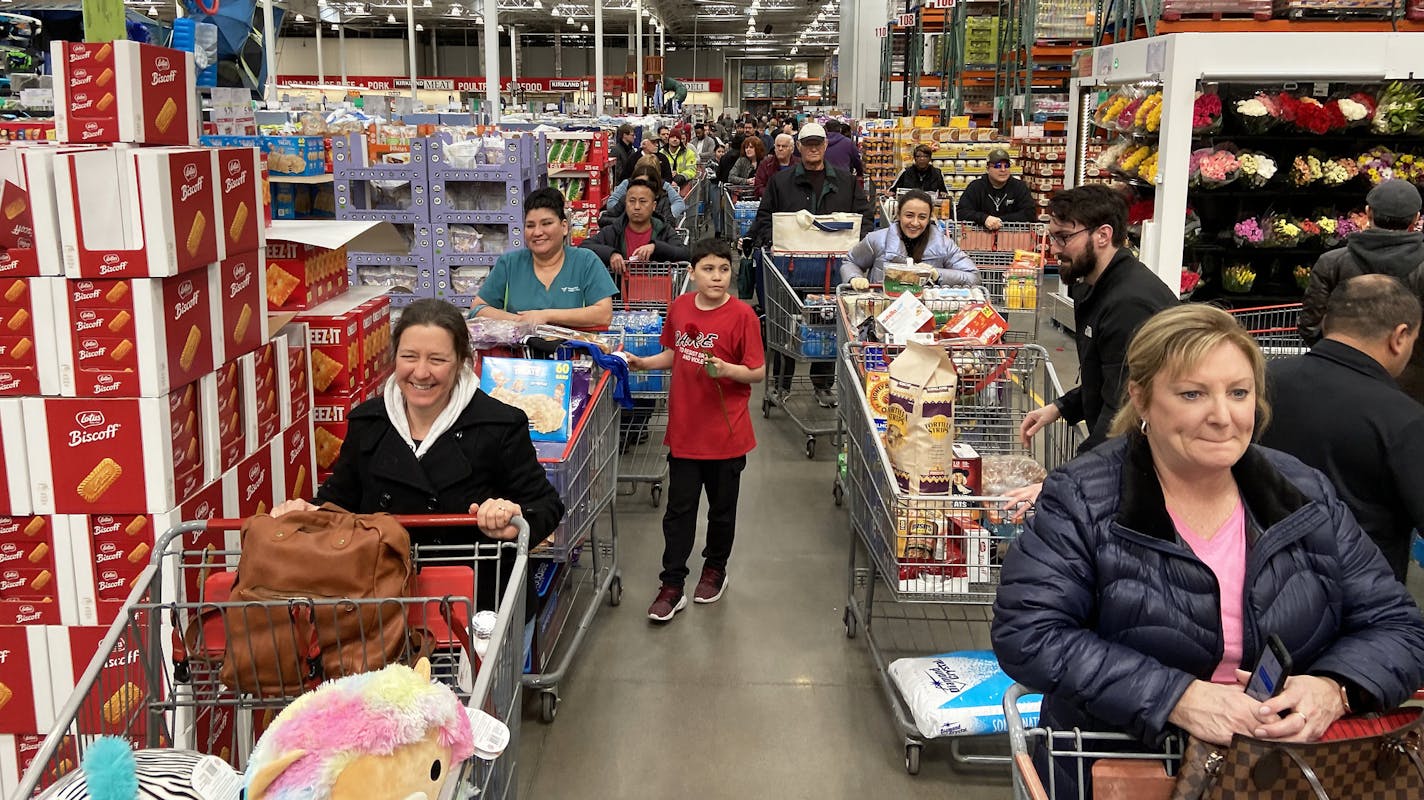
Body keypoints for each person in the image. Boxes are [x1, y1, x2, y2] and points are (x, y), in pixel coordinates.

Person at [992, 303, 1424, 795]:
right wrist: (1177, 696)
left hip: (1283, 773)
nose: (1223, 417)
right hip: (1127, 768)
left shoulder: (1304, 495)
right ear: (1142, 397)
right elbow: (1028, 632)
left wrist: (1333, 688)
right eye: (1193, 393)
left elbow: (1397, 626)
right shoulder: (1082, 499)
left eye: (1238, 393)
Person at [272, 298, 566, 614]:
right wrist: (306, 512)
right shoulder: (368, 424)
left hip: (479, 608)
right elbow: (339, 501)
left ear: (462, 362)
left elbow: (546, 506)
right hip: (383, 607)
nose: (421, 373)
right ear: (394, 358)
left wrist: (513, 520)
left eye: (437, 359)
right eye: (409, 357)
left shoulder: (500, 425)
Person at [626, 238, 765, 622]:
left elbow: (757, 371)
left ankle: (714, 568)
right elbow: (673, 353)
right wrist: (643, 363)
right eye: (708, 269)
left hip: (727, 434)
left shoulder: (743, 317)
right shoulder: (680, 307)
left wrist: (727, 370)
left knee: (722, 511)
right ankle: (672, 584)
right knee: (678, 512)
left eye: (723, 269)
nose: (717, 277)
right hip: (685, 432)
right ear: (692, 272)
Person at [1260, 274, 1424, 582]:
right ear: (1400, 336)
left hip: (1258, 574)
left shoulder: (1257, 384)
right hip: (1360, 592)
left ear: (1325, 322)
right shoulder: (1405, 419)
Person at [745, 122, 873, 409]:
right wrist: (772, 240)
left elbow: (865, 219)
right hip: (789, 269)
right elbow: (765, 217)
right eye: (808, 143)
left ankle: (823, 384)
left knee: (828, 324)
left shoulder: (846, 182)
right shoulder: (781, 181)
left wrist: (856, 246)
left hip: (833, 269)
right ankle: (781, 383)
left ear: (826, 146)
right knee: (785, 323)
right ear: (799, 148)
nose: (813, 148)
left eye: (818, 143)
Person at [1299, 179, 1424, 403]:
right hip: (1414, 390)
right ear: (1416, 220)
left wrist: (1337, 363)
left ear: (1368, 213)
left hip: (1343, 384)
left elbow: (1311, 326)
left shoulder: (1332, 262)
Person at [471, 187, 618, 328]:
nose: (537, 232)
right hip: (520, 351)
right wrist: (521, 321)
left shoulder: (586, 261)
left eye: (546, 223)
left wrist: (546, 316)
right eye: (530, 225)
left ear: (564, 227)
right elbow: (477, 309)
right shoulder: (510, 263)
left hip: (574, 352)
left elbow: (603, 314)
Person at [841, 189, 978, 288]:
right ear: (898, 214)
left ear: (930, 218)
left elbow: (974, 277)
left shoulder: (944, 245)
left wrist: (937, 274)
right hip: (882, 311)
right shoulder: (877, 240)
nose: (915, 223)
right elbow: (851, 261)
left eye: (922, 217)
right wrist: (854, 278)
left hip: (928, 317)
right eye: (909, 215)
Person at [581, 176, 691, 273]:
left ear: (653, 206)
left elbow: (685, 253)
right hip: (619, 294)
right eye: (632, 201)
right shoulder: (614, 230)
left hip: (656, 292)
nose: (637, 206)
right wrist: (611, 254)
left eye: (643, 201)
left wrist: (656, 247)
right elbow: (584, 247)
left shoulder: (663, 230)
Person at [956, 147, 1036, 230]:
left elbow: (1029, 214)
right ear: (987, 169)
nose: (1003, 170)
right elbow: (962, 212)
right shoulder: (976, 187)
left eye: (1007, 166)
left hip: (1013, 238)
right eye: (998, 166)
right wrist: (984, 218)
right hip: (980, 238)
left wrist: (1000, 221)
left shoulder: (1019, 187)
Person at [602, 158, 687, 227]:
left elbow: (678, 204)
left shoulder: (663, 195)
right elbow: (611, 205)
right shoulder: (625, 193)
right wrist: (628, 217)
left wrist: (666, 215)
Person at [753, 133, 799, 200]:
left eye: (784, 146)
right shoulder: (765, 164)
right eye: (778, 146)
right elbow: (758, 187)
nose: (780, 149)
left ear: (792, 149)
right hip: (771, 203)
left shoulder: (799, 165)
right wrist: (775, 194)